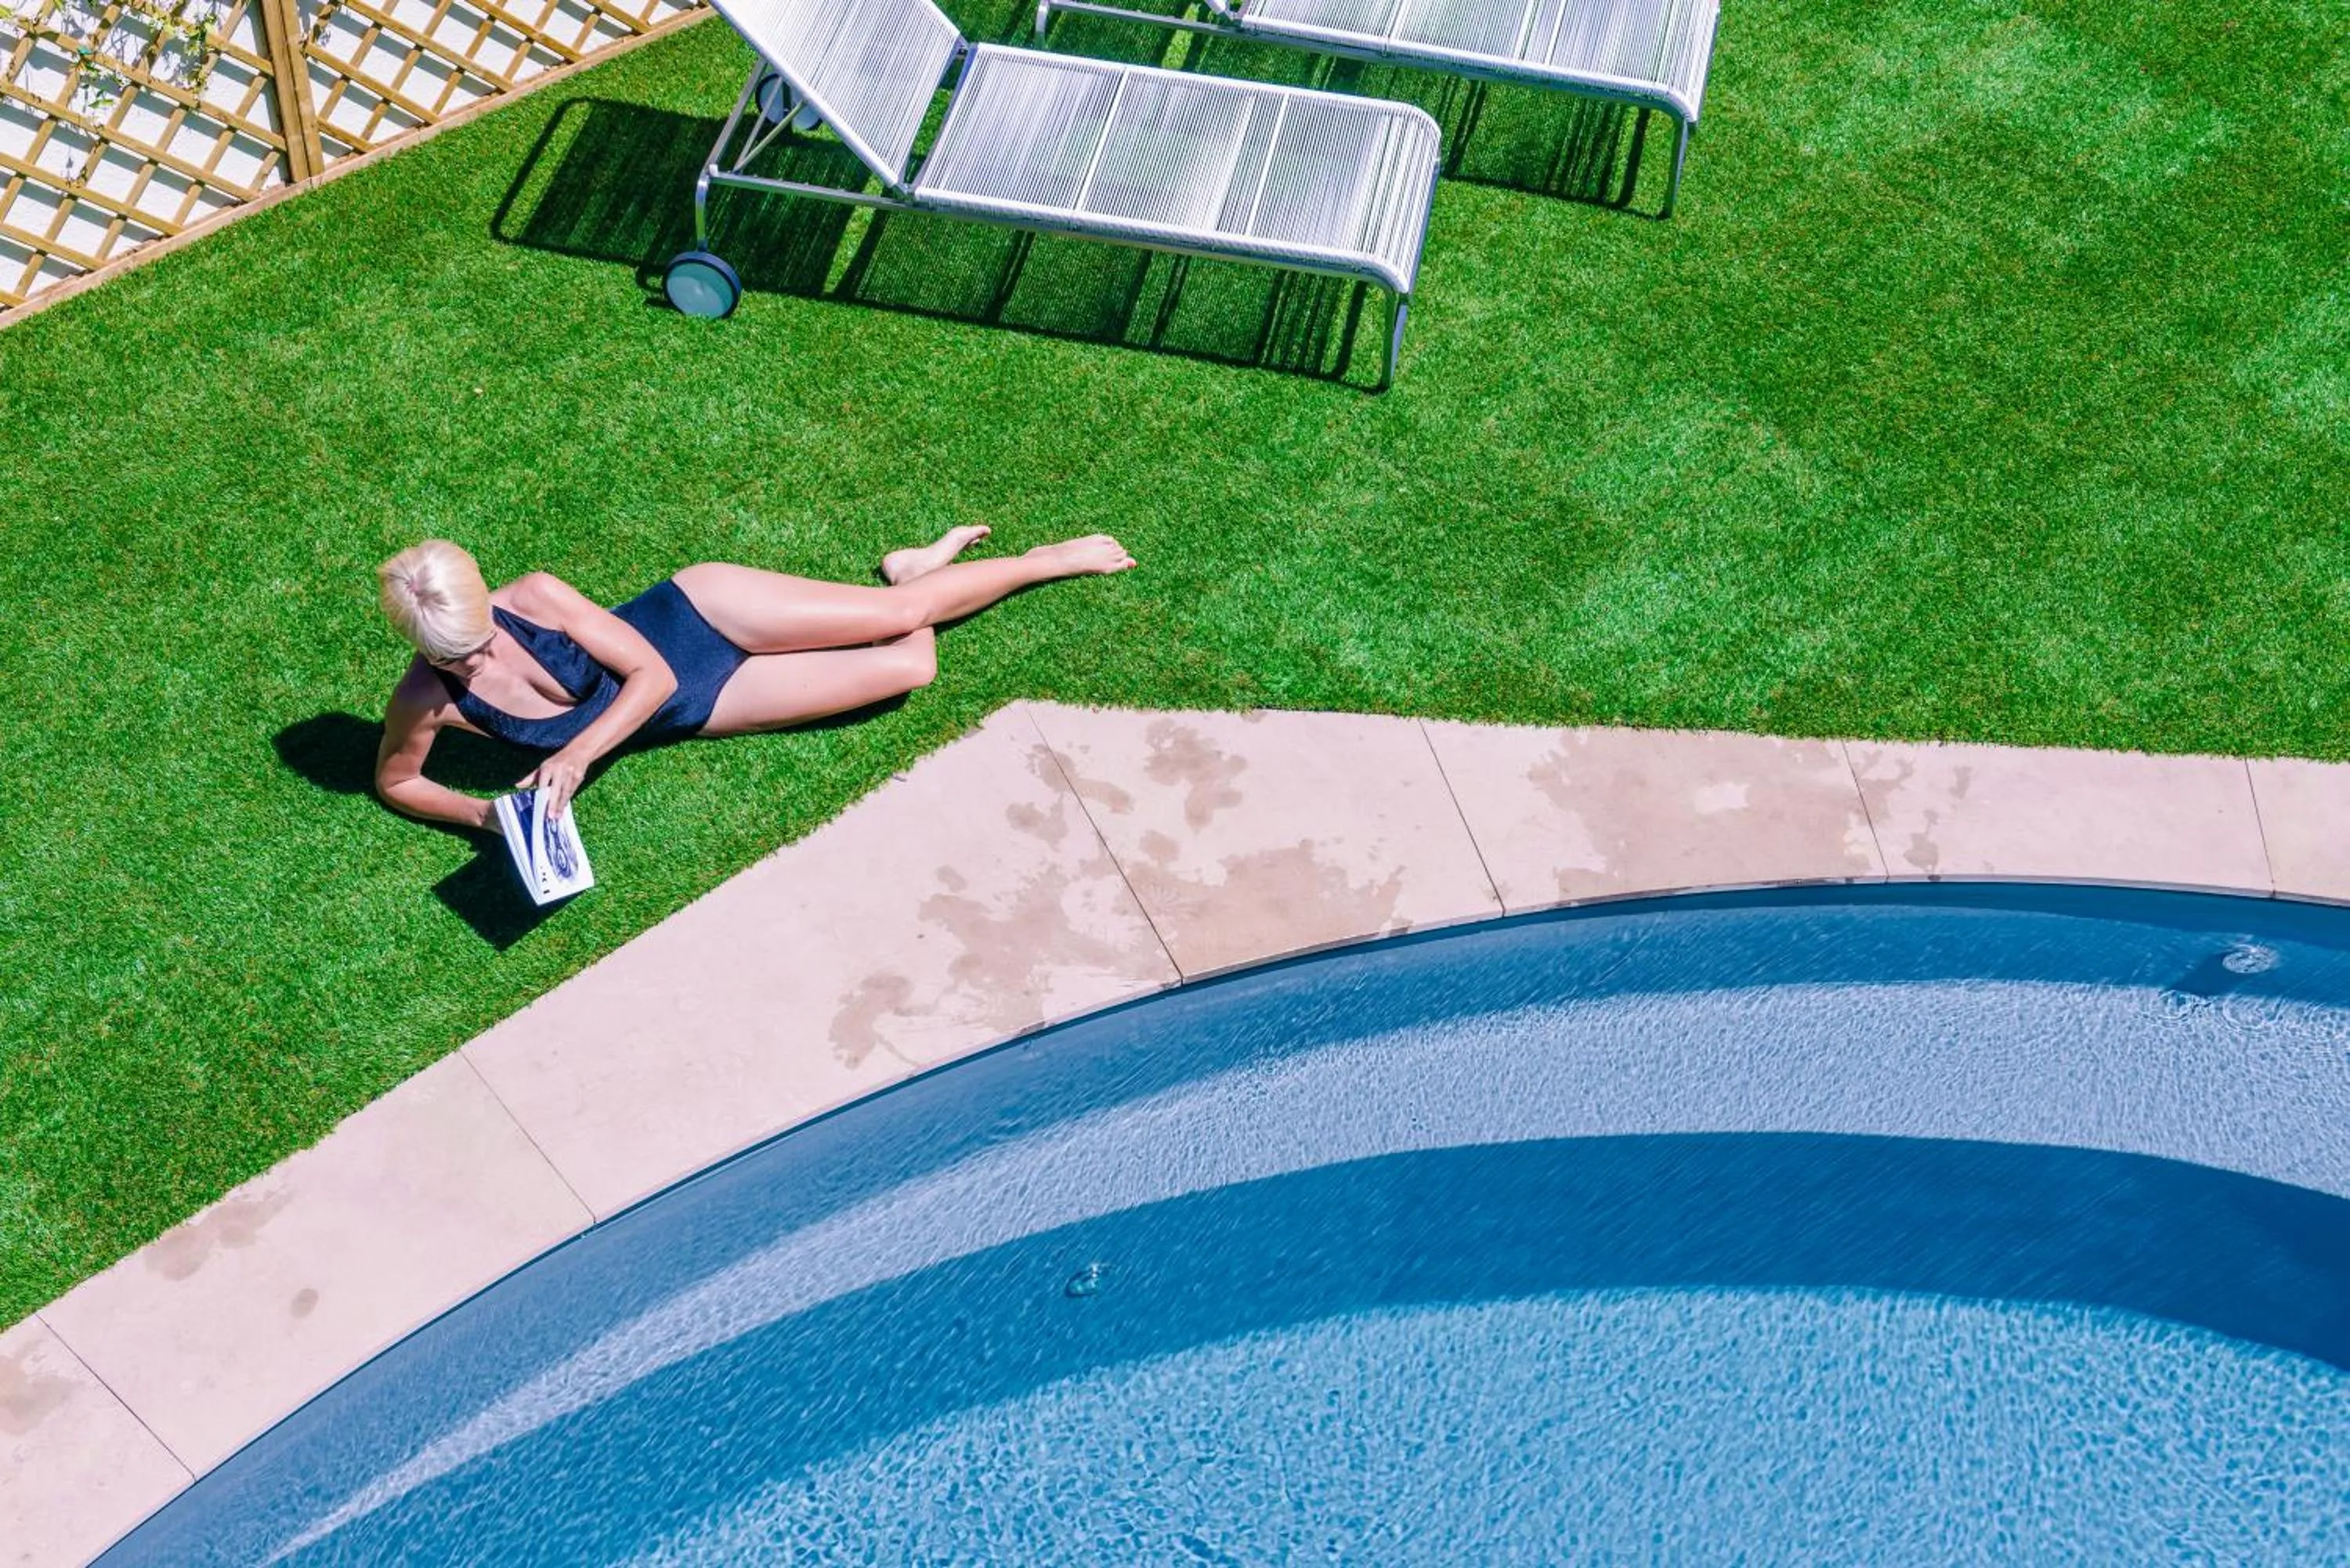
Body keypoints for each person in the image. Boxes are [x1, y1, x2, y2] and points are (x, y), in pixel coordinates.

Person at [373, 528, 1134, 831]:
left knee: (901, 611)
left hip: (701, 620)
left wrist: (576, 755)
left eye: (477, 642)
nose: (475, 663)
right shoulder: (424, 700)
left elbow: (650, 673)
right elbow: (398, 783)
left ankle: (1041, 560)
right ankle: (911, 569)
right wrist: (487, 819)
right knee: (913, 663)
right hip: (697, 707)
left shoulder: (535, 598)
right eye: (453, 659)